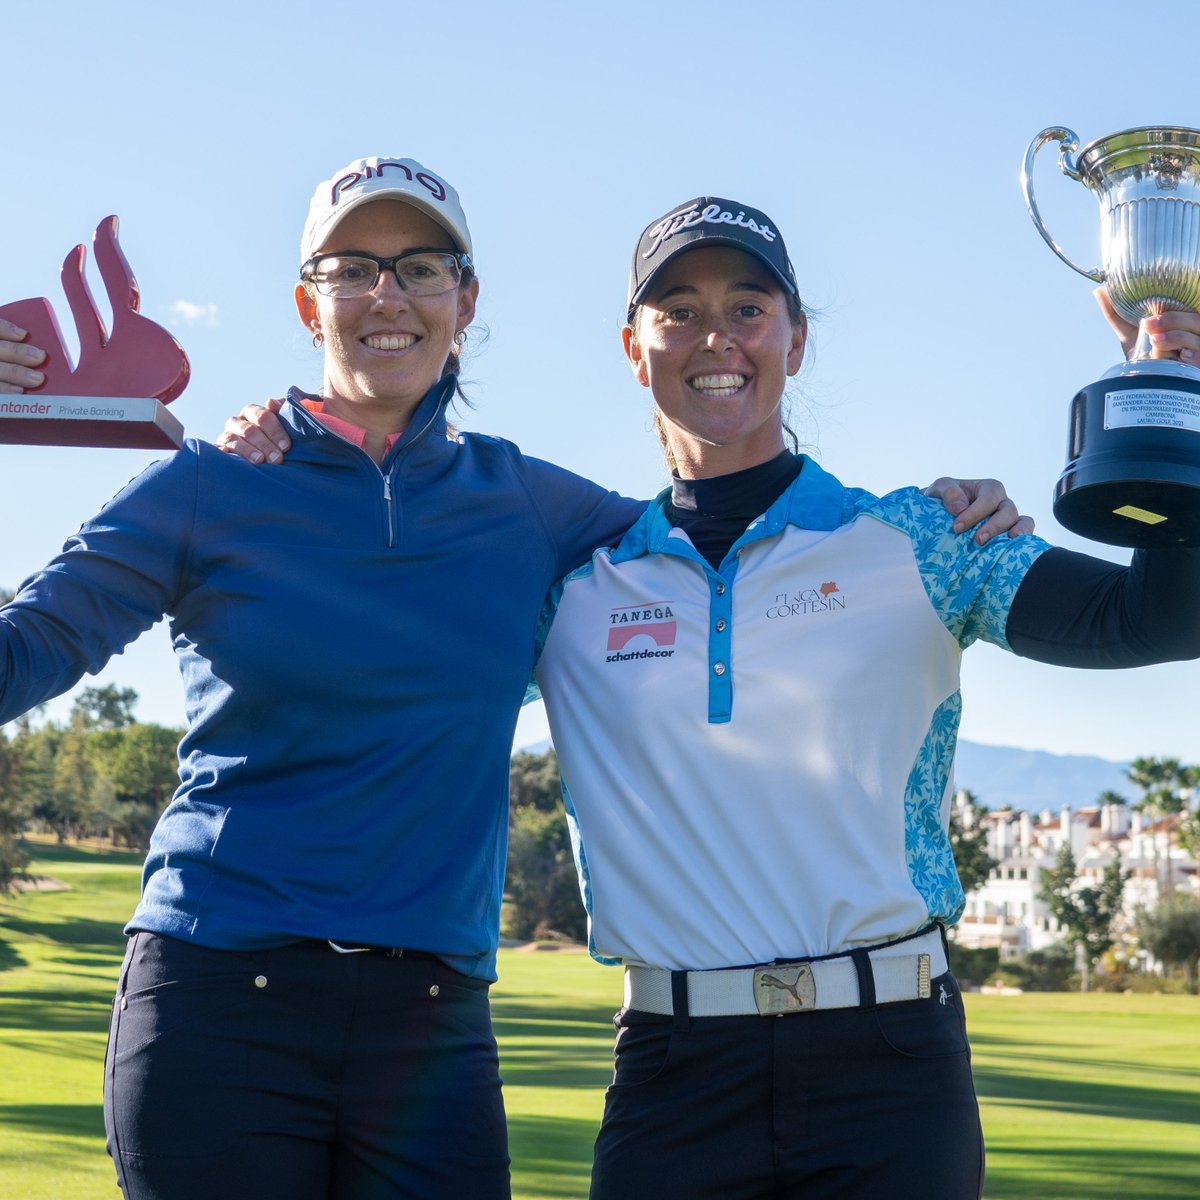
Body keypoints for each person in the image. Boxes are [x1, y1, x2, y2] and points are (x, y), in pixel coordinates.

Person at [0, 165, 1025, 1200]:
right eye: (352, 270)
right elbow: (24, 650)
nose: (387, 295)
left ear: (466, 301)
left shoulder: (534, 509)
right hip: (219, 997)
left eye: (421, 268)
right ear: (310, 302)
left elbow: (734, 531)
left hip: (429, 1022)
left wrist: (927, 512)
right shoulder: (213, 488)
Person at [211, 193, 1200, 1200]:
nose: (714, 336)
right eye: (678, 309)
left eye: (749, 307)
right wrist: (299, 451)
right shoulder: (570, 581)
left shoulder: (927, 541)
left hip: (891, 1069)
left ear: (797, 341)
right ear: (635, 349)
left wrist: (1177, 394)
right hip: (672, 1078)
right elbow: (374, 673)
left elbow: (1155, 619)